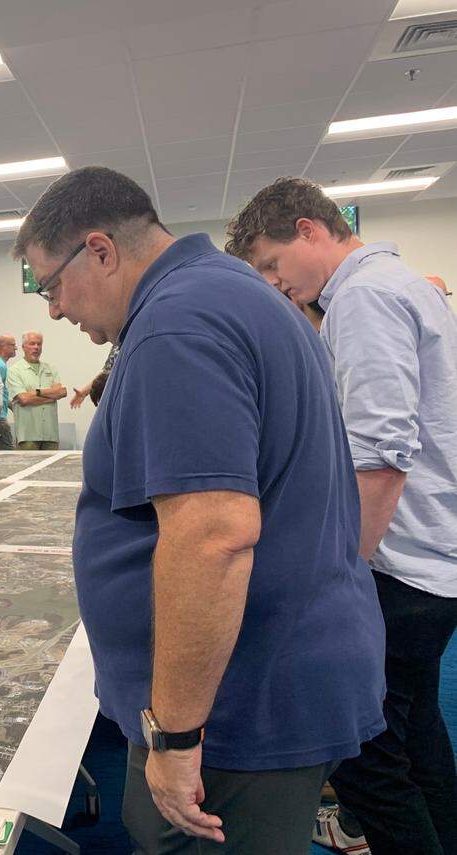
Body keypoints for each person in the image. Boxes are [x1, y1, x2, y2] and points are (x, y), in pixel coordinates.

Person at [15, 166, 385, 855]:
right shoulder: (228, 293)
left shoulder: (175, 326)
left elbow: (213, 536)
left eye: (49, 284)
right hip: (268, 677)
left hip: (235, 711)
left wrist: (176, 735)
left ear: (99, 250)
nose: (54, 309)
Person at [227, 176, 457, 855]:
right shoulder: (404, 282)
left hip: (396, 562)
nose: (275, 284)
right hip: (430, 553)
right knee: (416, 736)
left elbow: (381, 454)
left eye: (273, 264)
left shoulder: (361, 297)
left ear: (310, 230)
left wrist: (340, 572)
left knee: (367, 759)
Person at [6, 331, 66, 449]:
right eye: (32, 344)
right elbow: (24, 399)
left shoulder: (50, 369)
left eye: (39, 344)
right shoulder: (15, 370)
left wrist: (37, 393)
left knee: (52, 468)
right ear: (23, 347)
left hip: (50, 434)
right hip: (28, 435)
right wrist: (51, 396)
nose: (36, 347)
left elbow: (62, 392)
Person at [0, 334, 18, 450]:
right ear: (4, 347)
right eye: (13, 345)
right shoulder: (0, 366)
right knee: (9, 449)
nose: (16, 348)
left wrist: (10, 404)